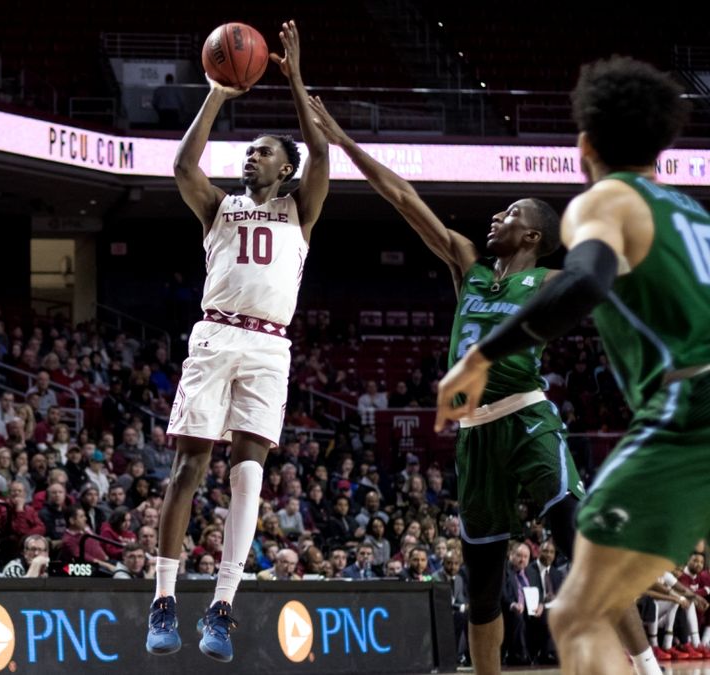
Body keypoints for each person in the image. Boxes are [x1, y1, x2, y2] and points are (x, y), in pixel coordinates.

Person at [308, 92, 657, 675]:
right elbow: (403, 197)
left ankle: (650, 669)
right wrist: (344, 142)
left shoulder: (550, 279)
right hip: (475, 439)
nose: (497, 217)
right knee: (484, 586)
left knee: (582, 543)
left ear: (532, 237)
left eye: (511, 213)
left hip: (528, 420)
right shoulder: (466, 264)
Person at [435, 56, 707, 675]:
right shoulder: (695, 214)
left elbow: (582, 282)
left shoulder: (603, 202)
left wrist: (482, 353)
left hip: (691, 410)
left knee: (579, 604)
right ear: (664, 151)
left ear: (584, 147)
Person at [147, 20, 329, 663]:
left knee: (248, 477)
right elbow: (181, 164)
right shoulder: (218, 207)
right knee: (190, 467)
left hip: (271, 347)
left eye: (263, 151)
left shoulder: (300, 208)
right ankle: (164, 597)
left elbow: (322, 151)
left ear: (287, 167)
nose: (251, 156)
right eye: (248, 151)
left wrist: (296, 79)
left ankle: (222, 609)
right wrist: (219, 92)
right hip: (217, 335)